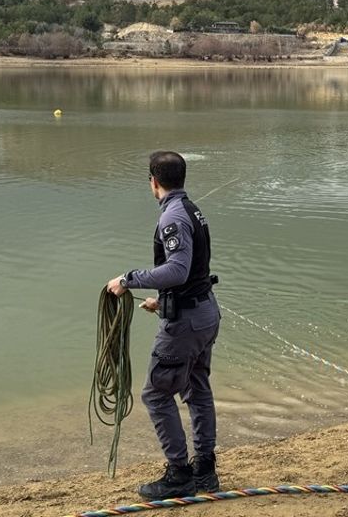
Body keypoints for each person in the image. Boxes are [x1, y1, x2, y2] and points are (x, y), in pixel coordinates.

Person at [106, 151, 221, 498]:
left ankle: (179, 474)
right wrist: (164, 299)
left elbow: (178, 269)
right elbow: (193, 271)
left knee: (156, 394)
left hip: (186, 324)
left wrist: (128, 279)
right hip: (204, 313)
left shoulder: (172, 218)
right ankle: (205, 470)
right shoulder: (192, 210)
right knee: (197, 388)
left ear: (153, 182)